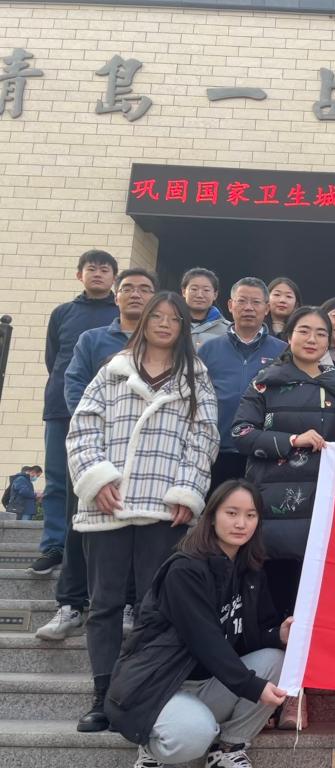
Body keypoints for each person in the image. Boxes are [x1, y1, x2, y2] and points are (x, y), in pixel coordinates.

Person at [66, 291, 219, 733]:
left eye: (174, 318)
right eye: (158, 316)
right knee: (105, 603)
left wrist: (188, 490)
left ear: (183, 327)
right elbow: (83, 429)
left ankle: (139, 691)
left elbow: (204, 439)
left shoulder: (196, 378)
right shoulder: (111, 372)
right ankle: (102, 694)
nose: (165, 324)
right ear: (144, 320)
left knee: (157, 606)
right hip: (108, 504)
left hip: (164, 508)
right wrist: (97, 479)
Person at [231, 306, 335, 730]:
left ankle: (298, 695)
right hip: (271, 509)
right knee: (274, 605)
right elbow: (240, 433)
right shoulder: (265, 382)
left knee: (312, 607)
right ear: (289, 336)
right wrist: (291, 439)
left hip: (323, 511)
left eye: (321, 333)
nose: (312, 339)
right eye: (304, 331)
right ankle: (268, 695)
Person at [106, 479, 291, 768]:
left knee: (275, 659)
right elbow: (205, 640)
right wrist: (252, 686)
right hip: (161, 686)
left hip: (210, 683)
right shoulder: (185, 570)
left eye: (250, 515)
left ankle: (228, 748)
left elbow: (249, 636)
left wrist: (277, 635)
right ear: (212, 516)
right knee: (193, 735)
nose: (241, 523)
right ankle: (151, 750)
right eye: (232, 513)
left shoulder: (250, 572)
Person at [35, 268, 158, 642]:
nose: (135, 294)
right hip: (96, 449)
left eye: (145, 289)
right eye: (128, 288)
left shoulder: (162, 343)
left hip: (142, 453)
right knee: (78, 526)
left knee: (135, 528)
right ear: (115, 296)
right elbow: (73, 384)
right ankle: (70, 604)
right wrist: (92, 430)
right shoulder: (92, 339)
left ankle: (127, 603)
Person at [33, 249, 119, 576]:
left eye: (104, 270)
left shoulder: (121, 314)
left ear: (114, 277)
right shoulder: (63, 313)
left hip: (110, 414)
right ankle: (54, 545)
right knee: (58, 480)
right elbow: (54, 359)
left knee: (104, 478)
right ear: (79, 275)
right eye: (91, 269)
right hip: (62, 408)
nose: (97, 274)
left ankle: (89, 548)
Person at [198, 278, 287, 492]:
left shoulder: (283, 351)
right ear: (230, 305)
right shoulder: (208, 349)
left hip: (262, 452)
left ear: (267, 308)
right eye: (242, 301)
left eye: (256, 302)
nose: (248, 307)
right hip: (216, 451)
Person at [182, 267, 229, 349]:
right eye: (194, 289)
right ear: (183, 292)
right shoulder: (171, 323)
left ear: (215, 295)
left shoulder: (227, 331)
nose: (199, 295)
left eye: (206, 290)